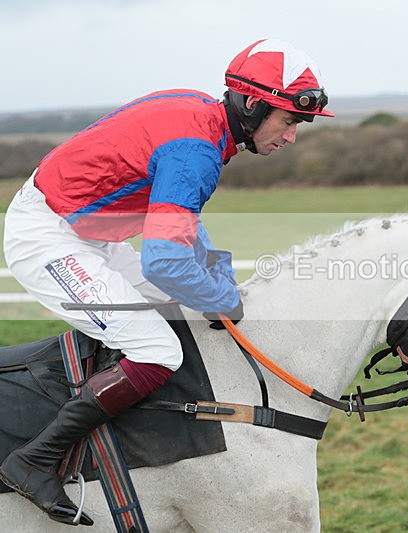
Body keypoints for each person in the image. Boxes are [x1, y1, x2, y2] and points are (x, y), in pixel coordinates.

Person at [0, 38, 333, 526]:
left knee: (180, 315)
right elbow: (165, 263)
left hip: (91, 235)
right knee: (158, 349)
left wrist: (218, 278)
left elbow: (184, 223)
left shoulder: (204, 116)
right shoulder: (197, 147)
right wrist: (225, 298)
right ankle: (32, 459)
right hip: (50, 237)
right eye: (288, 120)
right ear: (253, 104)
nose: (291, 137)